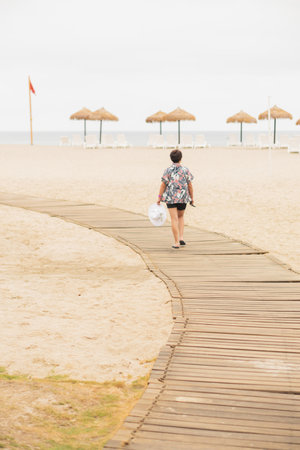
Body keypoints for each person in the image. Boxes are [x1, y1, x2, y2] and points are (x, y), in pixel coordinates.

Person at [157, 149, 194, 249]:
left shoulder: (168, 170)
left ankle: (176, 242)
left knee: (174, 219)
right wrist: (192, 198)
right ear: (180, 158)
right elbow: (190, 185)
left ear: (171, 159)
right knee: (181, 217)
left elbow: (163, 185)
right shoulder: (185, 170)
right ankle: (181, 238)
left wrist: (159, 198)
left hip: (171, 197)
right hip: (183, 197)